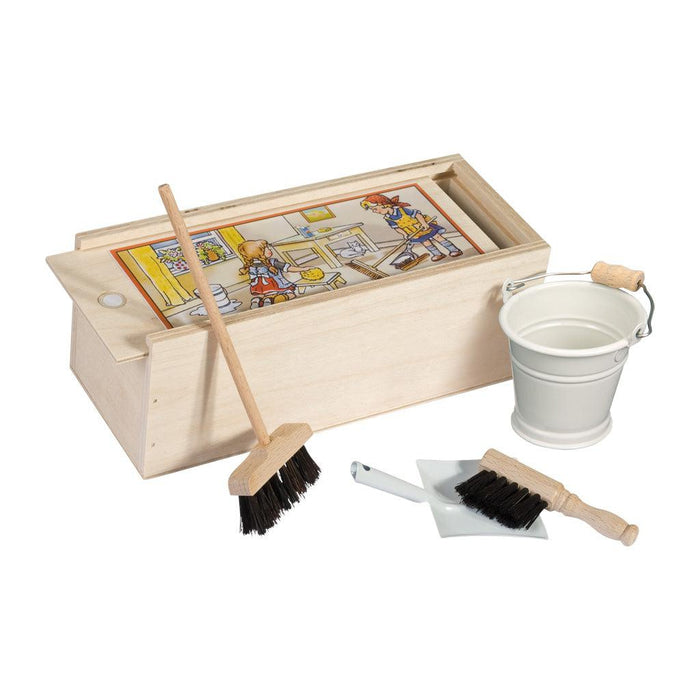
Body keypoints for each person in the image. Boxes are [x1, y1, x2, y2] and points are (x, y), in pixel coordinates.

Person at [360, 193, 463, 262]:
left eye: (375, 209)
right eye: (373, 210)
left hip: (422, 226)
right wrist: (405, 234)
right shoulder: (388, 218)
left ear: (384, 205)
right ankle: (438, 254)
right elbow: (397, 228)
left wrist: (423, 223)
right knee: (425, 242)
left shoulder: (402, 210)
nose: (374, 211)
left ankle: (454, 250)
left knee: (438, 237)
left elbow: (417, 214)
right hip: (413, 232)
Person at [238, 239, 310, 308]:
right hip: (275, 285)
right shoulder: (272, 262)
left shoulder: (251, 266)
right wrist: (302, 269)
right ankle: (275, 300)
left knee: (266, 295)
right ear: (258, 253)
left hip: (259, 288)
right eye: (265, 249)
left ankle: (257, 300)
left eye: (268, 248)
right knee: (291, 294)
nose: (269, 249)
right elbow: (288, 268)